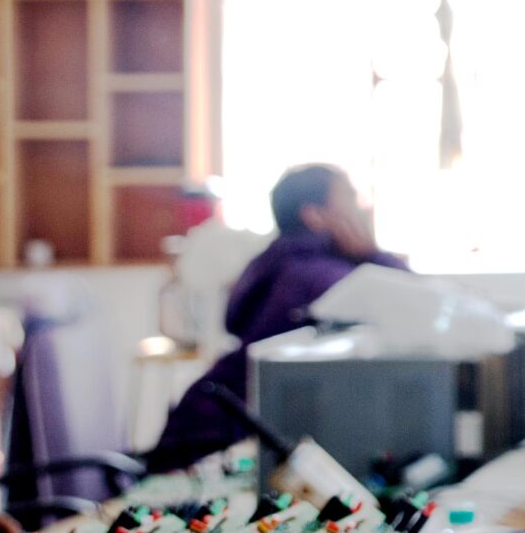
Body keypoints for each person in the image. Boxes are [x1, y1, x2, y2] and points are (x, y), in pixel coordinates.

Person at [142, 164, 407, 472]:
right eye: (350, 197)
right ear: (314, 215)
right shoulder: (320, 277)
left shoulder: (283, 262)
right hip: (218, 441)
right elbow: (423, 310)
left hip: (204, 424)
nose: (363, 208)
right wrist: (373, 254)